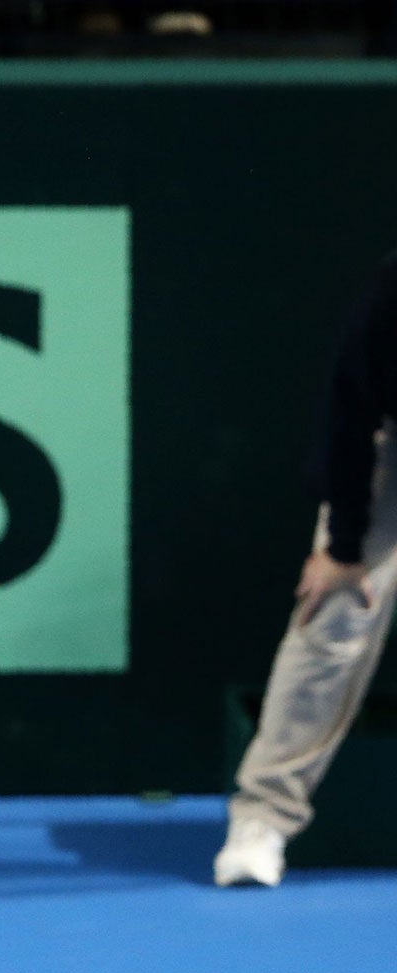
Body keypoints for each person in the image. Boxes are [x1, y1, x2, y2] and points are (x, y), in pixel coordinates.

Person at [218, 252, 397, 887]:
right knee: (341, 610)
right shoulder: (390, 297)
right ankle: (263, 817)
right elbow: (351, 414)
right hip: (390, 454)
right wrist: (344, 548)